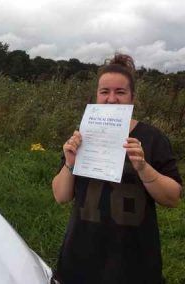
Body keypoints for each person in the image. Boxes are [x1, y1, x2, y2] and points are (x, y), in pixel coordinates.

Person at [51, 53, 182, 284]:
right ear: (96, 96)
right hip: (80, 259)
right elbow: (61, 196)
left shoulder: (152, 138)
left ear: (132, 97)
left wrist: (143, 167)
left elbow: (173, 198)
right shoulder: (83, 135)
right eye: (104, 92)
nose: (111, 99)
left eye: (120, 92)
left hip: (134, 263)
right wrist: (70, 163)